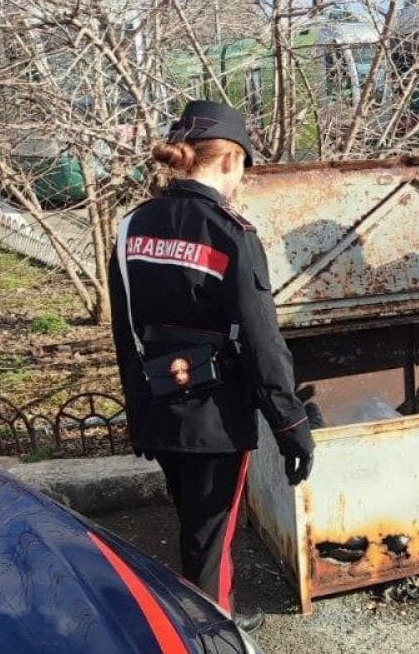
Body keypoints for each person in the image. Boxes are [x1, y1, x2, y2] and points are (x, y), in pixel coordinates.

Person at [108, 100, 316, 631]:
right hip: (215, 418)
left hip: (157, 402)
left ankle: (199, 617)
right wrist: (292, 427)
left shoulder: (131, 227)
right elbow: (262, 343)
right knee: (213, 539)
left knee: (195, 526)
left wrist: (139, 414)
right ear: (229, 161)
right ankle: (211, 633)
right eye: (244, 165)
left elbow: (123, 330)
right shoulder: (231, 233)